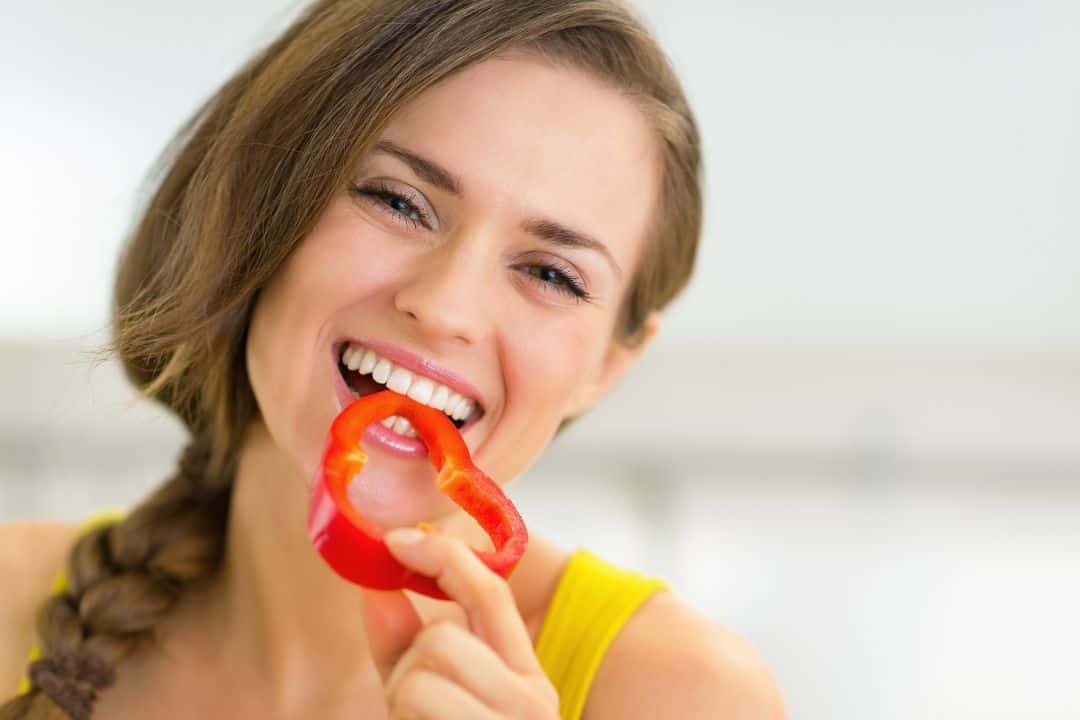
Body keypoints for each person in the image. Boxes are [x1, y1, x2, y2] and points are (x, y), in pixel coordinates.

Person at [0, 1, 786, 718]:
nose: (445, 308)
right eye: (397, 201)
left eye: (551, 274)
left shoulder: (685, 695)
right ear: (258, 205)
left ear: (607, 367)